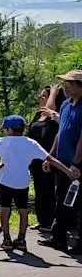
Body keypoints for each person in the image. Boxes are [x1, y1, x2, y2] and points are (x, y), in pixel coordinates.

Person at [0, 115, 79, 251]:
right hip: (22, 181)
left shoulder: (1, 142)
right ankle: (22, 239)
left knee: (5, 208)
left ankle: (6, 239)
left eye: (5, 129)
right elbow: (49, 158)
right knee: (23, 210)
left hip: (4, 180)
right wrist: (68, 171)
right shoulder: (30, 143)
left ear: (9, 129)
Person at [43, 71, 82, 254]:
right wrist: (50, 156)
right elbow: (61, 132)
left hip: (77, 163)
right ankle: (58, 238)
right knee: (62, 199)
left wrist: (76, 162)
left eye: (70, 84)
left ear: (79, 87)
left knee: (78, 202)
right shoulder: (66, 104)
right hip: (62, 161)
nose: (65, 87)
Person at [28, 86, 62, 231]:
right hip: (36, 160)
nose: (40, 99)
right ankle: (42, 220)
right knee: (39, 190)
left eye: (44, 97)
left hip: (49, 158)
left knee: (49, 190)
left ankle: (51, 221)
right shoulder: (39, 114)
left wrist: (53, 93)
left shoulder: (53, 116)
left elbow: (51, 111)